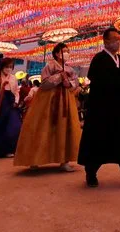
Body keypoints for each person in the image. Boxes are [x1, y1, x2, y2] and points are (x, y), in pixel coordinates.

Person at [78, 28, 120, 188]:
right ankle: (91, 173)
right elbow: (97, 78)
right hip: (101, 109)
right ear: (106, 41)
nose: (118, 41)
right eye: (114, 39)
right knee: (98, 139)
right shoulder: (99, 59)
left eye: (119, 39)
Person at [15, 43, 82, 171]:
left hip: (66, 100)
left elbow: (75, 83)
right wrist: (58, 77)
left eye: (68, 51)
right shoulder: (49, 67)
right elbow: (44, 83)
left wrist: (68, 83)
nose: (67, 53)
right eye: (64, 51)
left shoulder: (70, 69)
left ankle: (64, 161)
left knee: (65, 128)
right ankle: (35, 159)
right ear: (57, 53)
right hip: (49, 101)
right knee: (43, 126)